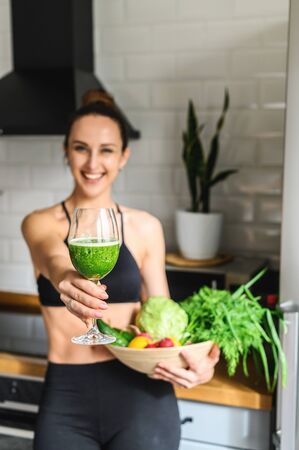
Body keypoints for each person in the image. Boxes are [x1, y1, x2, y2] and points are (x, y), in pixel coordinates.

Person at [22, 90, 220, 450]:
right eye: (81, 147)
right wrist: (69, 280)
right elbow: (55, 260)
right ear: (66, 152)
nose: (93, 162)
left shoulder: (145, 227)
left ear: (124, 156)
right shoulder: (40, 223)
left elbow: (163, 317)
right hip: (67, 396)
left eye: (107, 149)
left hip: (142, 394)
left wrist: (199, 363)